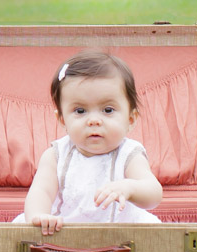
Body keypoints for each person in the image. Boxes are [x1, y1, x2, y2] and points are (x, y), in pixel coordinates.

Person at [13, 51, 163, 235]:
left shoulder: (129, 154)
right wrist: (39, 215)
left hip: (123, 234)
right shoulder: (56, 155)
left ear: (131, 119)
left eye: (107, 110)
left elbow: (154, 193)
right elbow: (41, 192)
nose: (93, 120)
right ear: (62, 120)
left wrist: (129, 187)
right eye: (80, 110)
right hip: (62, 232)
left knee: (156, 239)